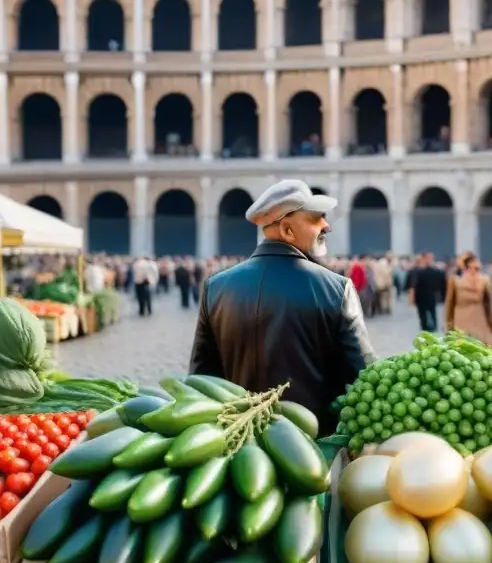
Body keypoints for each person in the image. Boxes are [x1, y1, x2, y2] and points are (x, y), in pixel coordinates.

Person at [188, 179, 375, 434]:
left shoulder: (215, 288)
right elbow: (364, 381)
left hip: (237, 448)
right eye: (315, 219)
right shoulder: (336, 288)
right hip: (313, 451)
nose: (326, 225)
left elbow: (200, 382)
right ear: (287, 230)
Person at [445, 254, 492, 346]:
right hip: (461, 317)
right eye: (474, 265)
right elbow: (450, 303)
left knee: (483, 346)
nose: (476, 267)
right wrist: (449, 324)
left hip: (480, 318)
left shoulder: (485, 280)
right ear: (467, 265)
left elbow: (489, 305)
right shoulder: (455, 281)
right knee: (463, 347)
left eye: (477, 267)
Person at [408, 252, 442, 332]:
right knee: (423, 314)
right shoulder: (417, 271)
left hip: (430, 296)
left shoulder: (435, 271)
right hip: (421, 297)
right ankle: (426, 328)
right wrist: (412, 297)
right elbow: (413, 286)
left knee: (431, 313)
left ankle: (432, 328)